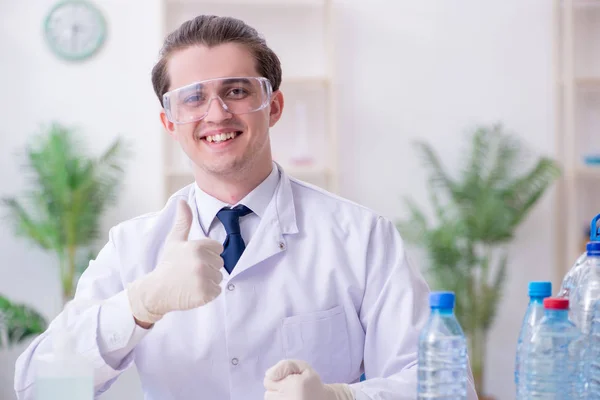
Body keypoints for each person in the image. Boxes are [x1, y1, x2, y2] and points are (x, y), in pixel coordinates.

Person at [14, 15, 477, 400]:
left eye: (236, 91)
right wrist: (140, 304)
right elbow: (39, 387)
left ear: (272, 106)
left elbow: (442, 387)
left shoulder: (361, 236)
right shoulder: (133, 247)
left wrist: (342, 397)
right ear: (169, 122)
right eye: (192, 98)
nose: (216, 114)